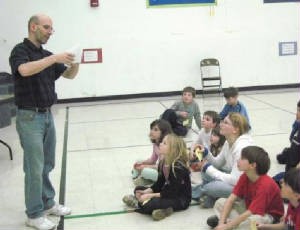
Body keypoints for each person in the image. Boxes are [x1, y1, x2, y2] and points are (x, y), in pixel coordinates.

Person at [9, 14, 80, 230]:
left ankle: (48, 203)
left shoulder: (47, 55)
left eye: (52, 28)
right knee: (34, 167)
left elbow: (69, 76)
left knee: (47, 164)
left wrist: (75, 61)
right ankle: (34, 213)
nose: (50, 31)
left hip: (48, 115)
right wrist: (54, 58)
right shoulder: (19, 51)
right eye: (47, 27)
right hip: (29, 117)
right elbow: (24, 70)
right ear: (33, 27)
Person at [207, 146, 284, 229]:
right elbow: (231, 199)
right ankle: (231, 223)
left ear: (253, 165)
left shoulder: (265, 185)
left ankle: (231, 223)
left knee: (254, 221)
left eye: (242, 158)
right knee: (220, 202)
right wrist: (221, 224)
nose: (238, 160)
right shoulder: (245, 176)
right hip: (249, 209)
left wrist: (228, 226)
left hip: (267, 216)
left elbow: (250, 213)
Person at [122, 134, 191, 221]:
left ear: (173, 150)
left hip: (180, 199)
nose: (161, 144)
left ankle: (137, 203)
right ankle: (163, 209)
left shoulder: (177, 167)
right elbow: (159, 184)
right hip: (167, 192)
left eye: (164, 143)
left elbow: (171, 192)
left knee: (152, 203)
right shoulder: (163, 162)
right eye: (162, 142)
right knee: (138, 189)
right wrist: (146, 191)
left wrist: (150, 196)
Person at [191, 112, 253, 208]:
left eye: (226, 123)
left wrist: (208, 168)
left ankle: (197, 194)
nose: (221, 124)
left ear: (235, 130)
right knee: (205, 173)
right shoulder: (228, 142)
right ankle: (211, 197)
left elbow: (235, 180)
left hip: (245, 187)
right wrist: (206, 153)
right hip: (234, 178)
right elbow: (218, 163)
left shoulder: (241, 148)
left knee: (209, 186)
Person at [131, 119, 172, 186]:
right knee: (138, 161)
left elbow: (161, 167)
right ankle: (140, 177)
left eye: (155, 130)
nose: (152, 132)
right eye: (152, 129)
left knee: (145, 171)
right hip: (158, 169)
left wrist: (145, 166)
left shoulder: (166, 147)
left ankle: (143, 177)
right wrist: (142, 163)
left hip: (165, 174)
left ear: (163, 132)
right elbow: (152, 160)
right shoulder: (156, 144)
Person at [273, 100, 300, 186]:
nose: (296, 114)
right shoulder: (298, 126)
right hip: (289, 171)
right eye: (297, 110)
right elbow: (291, 139)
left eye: (299, 111)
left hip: (295, 177)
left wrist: (289, 180)